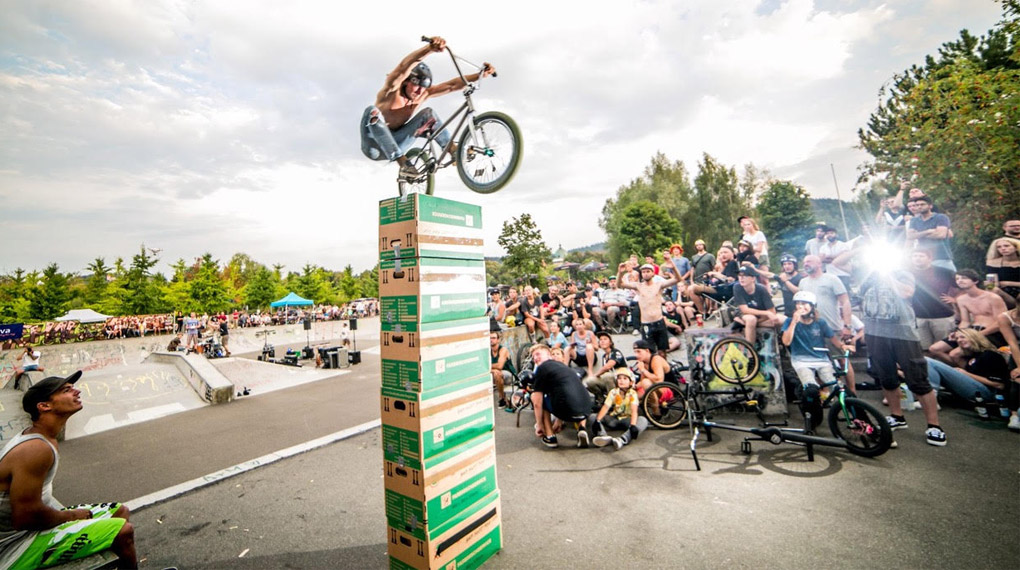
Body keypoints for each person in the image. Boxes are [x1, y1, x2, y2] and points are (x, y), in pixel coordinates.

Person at [0, 371, 137, 568]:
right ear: (44, 406)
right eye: (67, 390)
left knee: (120, 511)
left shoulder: (44, 438)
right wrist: (71, 516)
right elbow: (25, 517)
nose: (77, 391)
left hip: (29, 529)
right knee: (123, 532)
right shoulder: (35, 449)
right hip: (15, 545)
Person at [360, 36, 495, 178]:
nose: (419, 91)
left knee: (428, 114)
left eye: (423, 87)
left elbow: (451, 86)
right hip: (374, 146)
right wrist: (429, 49)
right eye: (416, 85)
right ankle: (404, 164)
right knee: (371, 111)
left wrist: (480, 75)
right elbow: (403, 67)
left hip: (399, 141)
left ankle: (454, 151)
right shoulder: (391, 90)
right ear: (406, 82)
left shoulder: (423, 94)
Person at [860, 266, 947, 446]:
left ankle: (934, 425)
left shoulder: (902, 274)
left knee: (918, 379)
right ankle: (897, 416)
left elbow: (906, 292)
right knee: (886, 377)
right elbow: (860, 295)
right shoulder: (870, 275)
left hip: (903, 334)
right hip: (875, 333)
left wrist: (888, 273)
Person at [781, 291, 854, 423]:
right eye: (797, 304)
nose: (800, 307)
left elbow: (833, 338)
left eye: (804, 304)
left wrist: (843, 346)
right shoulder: (789, 321)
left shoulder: (820, 323)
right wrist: (794, 322)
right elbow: (786, 341)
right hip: (801, 362)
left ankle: (862, 420)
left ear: (812, 307)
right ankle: (813, 421)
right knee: (811, 390)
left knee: (842, 390)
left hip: (822, 360)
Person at [930, 270, 1008, 364]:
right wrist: (958, 333)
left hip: (991, 332)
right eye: (957, 279)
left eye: (964, 278)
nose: (960, 280)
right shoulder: (961, 299)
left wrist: (978, 335)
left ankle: (970, 373)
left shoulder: (993, 298)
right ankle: (964, 369)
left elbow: (1001, 322)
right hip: (971, 331)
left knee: (954, 354)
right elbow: (965, 321)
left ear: (975, 281)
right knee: (934, 349)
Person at [924, 328, 1011, 408]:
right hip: (976, 388)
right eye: (957, 339)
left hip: (988, 393)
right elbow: (955, 354)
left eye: (963, 337)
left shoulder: (989, 355)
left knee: (928, 361)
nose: (959, 340)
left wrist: (966, 374)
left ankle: (930, 399)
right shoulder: (973, 355)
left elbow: (999, 385)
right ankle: (928, 395)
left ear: (974, 337)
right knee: (930, 363)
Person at [529, 344, 593, 448]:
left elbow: (537, 403)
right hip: (586, 409)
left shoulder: (542, 368)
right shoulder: (564, 367)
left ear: (549, 355)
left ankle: (550, 437)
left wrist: (539, 424)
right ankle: (582, 429)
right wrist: (559, 420)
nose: (535, 358)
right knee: (573, 394)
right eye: (533, 357)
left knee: (538, 398)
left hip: (566, 410)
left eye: (538, 354)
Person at [618, 257, 678, 356]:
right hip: (646, 324)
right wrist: (620, 273)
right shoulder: (639, 286)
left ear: (653, 273)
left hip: (659, 322)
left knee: (662, 352)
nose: (645, 273)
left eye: (648, 271)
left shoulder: (659, 285)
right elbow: (620, 284)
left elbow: (677, 279)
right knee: (649, 353)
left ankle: (663, 370)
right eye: (643, 272)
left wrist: (674, 267)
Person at [586, 368, 649, 450]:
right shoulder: (613, 392)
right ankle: (603, 436)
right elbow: (605, 407)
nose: (621, 381)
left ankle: (623, 439)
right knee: (592, 417)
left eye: (625, 378)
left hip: (627, 420)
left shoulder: (632, 394)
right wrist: (598, 420)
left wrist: (633, 425)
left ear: (631, 382)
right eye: (619, 378)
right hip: (613, 419)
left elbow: (634, 411)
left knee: (643, 420)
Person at [909, 248, 958, 352]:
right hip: (918, 316)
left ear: (929, 258)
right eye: (915, 256)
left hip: (942, 315)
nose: (917, 259)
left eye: (921, 256)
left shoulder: (944, 272)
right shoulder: (907, 273)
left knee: (944, 349)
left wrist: (955, 299)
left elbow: (961, 286)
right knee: (923, 348)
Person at [731, 265, 784, 344]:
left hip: (761, 316)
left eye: (745, 275)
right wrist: (767, 313)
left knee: (783, 320)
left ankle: (786, 348)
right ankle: (750, 350)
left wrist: (767, 315)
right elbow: (745, 310)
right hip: (745, 314)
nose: (741, 278)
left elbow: (772, 311)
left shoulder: (761, 289)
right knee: (751, 319)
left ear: (753, 278)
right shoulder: (737, 287)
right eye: (739, 275)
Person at [905, 195, 954, 272]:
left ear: (930, 206)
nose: (919, 207)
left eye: (922, 204)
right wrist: (928, 231)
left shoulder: (941, 217)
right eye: (917, 205)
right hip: (923, 259)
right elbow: (910, 236)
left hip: (942, 257)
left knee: (950, 282)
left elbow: (941, 235)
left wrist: (918, 234)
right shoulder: (914, 220)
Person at [995, 296, 1020, 431]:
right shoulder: (1005, 317)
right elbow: (1013, 343)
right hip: (1017, 348)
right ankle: (1014, 414)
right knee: (1016, 374)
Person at [583, 331, 626, 404]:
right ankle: (601, 399)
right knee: (589, 381)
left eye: (605, 339)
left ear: (610, 343)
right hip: (610, 380)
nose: (602, 341)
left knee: (607, 376)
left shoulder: (615, 352)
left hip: (622, 378)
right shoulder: (603, 356)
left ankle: (613, 402)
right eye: (601, 340)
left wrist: (596, 374)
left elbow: (608, 366)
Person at [985, 237, 1020, 309]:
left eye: (1006, 246)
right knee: (992, 289)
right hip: (1005, 293)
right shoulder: (993, 263)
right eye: (999, 247)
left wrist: (1007, 283)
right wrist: (990, 284)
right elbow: (991, 283)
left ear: (1016, 248)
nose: (1003, 249)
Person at [489, 332, 514, 409]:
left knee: (498, 373)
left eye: (493, 338)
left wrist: (488, 367)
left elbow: (500, 366)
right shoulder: (487, 351)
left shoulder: (503, 350)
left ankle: (502, 398)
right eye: (489, 338)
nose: (491, 340)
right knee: (495, 373)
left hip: (508, 374)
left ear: (498, 340)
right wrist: (492, 370)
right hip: (494, 373)